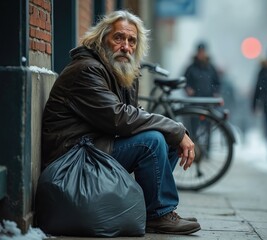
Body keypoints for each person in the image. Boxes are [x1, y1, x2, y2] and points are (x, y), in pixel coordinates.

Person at [41, 10, 201, 235]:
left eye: (131, 40)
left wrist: (173, 132)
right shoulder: (87, 69)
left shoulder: (121, 71)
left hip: (95, 147)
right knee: (153, 140)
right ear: (101, 39)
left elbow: (132, 115)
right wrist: (175, 128)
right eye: (118, 38)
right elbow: (119, 119)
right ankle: (159, 214)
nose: (125, 46)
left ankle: (152, 211)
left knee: (166, 138)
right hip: (73, 159)